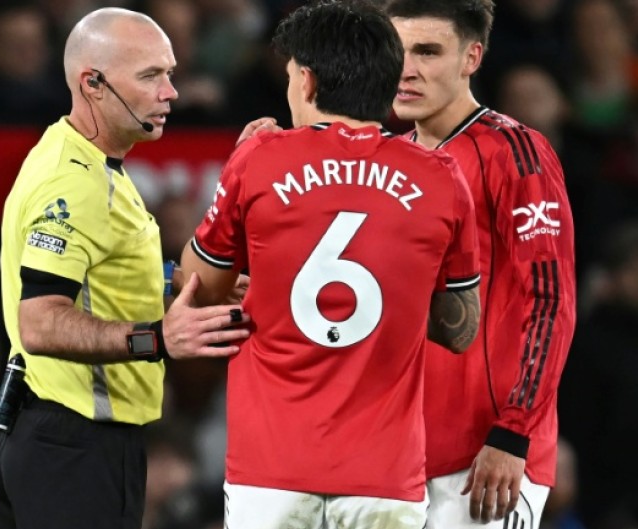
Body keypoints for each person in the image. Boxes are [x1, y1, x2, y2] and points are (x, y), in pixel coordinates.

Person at [179, 1, 482, 527]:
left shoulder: (260, 159)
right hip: (385, 476)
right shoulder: (441, 177)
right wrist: (401, 296)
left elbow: (198, 289)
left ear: (308, 82)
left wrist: (237, 170)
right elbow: (461, 330)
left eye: (291, 77)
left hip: (270, 470)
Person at [0, 8, 252, 529]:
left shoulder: (70, 151)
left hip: (45, 436)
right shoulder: (77, 184)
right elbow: (38, 321)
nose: (170, 92)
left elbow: (96, 264)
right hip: (73, 449)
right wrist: (159, 338)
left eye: (170, 73)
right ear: (93, 83)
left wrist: (173, 280)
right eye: (150, 76)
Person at [384, 0, 577, 526]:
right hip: (392, 459)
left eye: (427, 51)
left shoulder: (514, 152)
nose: (406, 70)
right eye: (396, 51)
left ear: (472, 57)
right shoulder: (386, 162)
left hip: (484, 457)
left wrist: (514, 432)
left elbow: (551, 301)